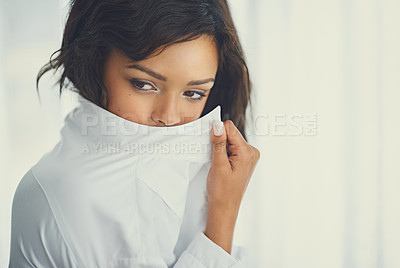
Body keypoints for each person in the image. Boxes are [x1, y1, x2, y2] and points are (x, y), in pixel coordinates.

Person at [9, 0, 260, 267]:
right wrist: (222, 216)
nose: (170, 117)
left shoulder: (178, 164)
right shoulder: (91, 193)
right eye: (143, 84)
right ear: (95, 60)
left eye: (193, 93)